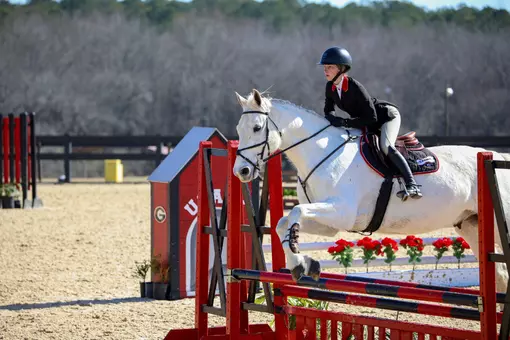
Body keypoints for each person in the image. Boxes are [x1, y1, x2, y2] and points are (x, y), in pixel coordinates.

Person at [318, 46, 422, 201]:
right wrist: (332, 118)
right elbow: (328, 110)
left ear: (342, 69)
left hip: (386, 116)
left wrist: (344, 122)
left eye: (330, 67)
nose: (325, 70)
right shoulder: (330, 87)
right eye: (325, 67)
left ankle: (412, 184)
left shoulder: (355, 87)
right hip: (366, 121)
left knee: (386, 146)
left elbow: (371, 118)